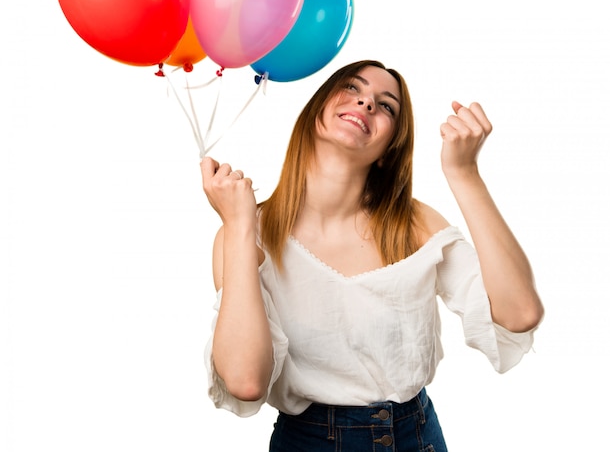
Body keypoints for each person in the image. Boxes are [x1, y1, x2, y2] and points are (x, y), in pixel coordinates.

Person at [200, 60, 544, 451]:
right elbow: (246, 381)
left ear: (387, 150)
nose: (366, 103)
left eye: (386, 106)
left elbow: (520, 314)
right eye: (352, 87)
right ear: (316, 111)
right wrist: (240, 226)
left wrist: (464, 174)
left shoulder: (415, 225)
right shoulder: (247, 234)